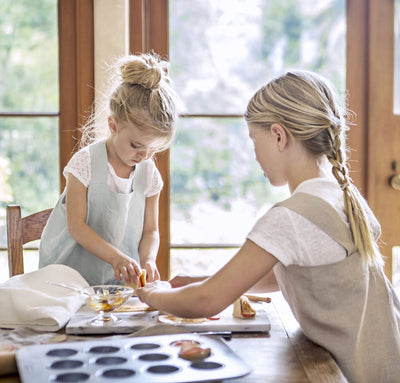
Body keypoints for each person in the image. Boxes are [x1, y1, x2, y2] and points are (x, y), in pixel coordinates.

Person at [137, 70, 400, 382]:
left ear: (278, 135)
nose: (254, 154)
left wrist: (153, 293)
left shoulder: (291, 216)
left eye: (254, 140)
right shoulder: (340, 195)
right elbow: (297, 272)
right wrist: (210, 279)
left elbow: (206, 300)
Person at [39, 52, 178, 287]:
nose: (144, 156)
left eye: (153, 150)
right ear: (113, 125)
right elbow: (77, 226)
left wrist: (148, 260)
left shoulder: (149, 174)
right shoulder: (85, 164)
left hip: (115, 283)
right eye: (136, 145)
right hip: (68, 278)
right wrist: (115, 257)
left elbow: (150, 231)